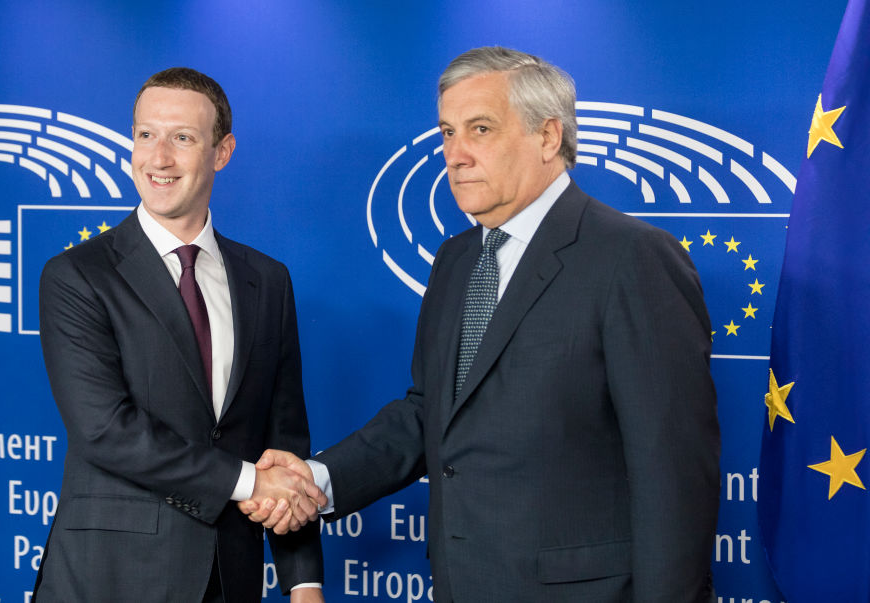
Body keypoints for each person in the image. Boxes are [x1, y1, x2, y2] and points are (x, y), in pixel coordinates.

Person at [241, 47, 720, 602]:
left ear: (547, 137)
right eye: (447, 132)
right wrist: (318, 481)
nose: (455, 154)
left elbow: (673, 474)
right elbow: (429, 416)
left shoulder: (631, 257)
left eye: (480, 129)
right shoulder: (456, 259)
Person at [34, 67, 325, 602]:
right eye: (146, 135)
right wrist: (249, 482)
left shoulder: (268, 280)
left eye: (183, 138)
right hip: (111, 578)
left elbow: (285, 443)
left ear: (223, 152)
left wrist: (303, 581)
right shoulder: (77, 275)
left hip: (230, 576)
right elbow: (105, 430)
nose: (158, 157)